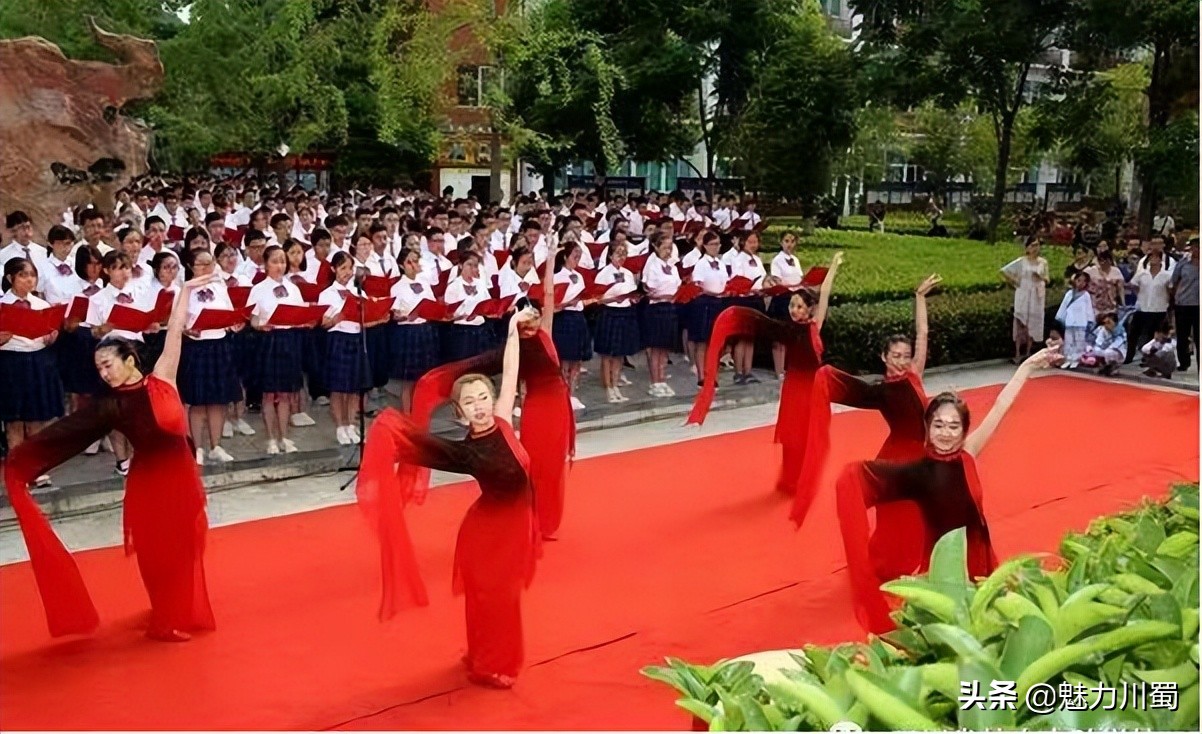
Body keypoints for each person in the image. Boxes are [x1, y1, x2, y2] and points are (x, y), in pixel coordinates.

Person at [3, 273, 219, 641]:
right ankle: (164, 621)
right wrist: (21, 460)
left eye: (108, 364)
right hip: (150, 484)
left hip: (183, 478)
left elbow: (175, 330)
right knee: (156, 555)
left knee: (186, 549)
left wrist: (184, 291)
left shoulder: (163, 378)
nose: (103, 373)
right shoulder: (111, 406)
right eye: (99, 368)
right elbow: (65, 433)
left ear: (130, 359)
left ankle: (177, 609)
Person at [357, 307, 541, 689]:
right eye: (470, 402)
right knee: (494, 600)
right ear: (459, 415)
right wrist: (388, 433)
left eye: (482, 397)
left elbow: (510, 368)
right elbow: (414, 445)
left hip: (515, 525)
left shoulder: (505, 419)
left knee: (502, 600)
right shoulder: (466, 451)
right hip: (487, 536)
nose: (480, 405)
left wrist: (511, 328)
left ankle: (488, 658)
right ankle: (491, 664)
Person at [836, 347, 1059, 634]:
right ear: (926, 428)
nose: (946, 432)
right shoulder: (917, 472)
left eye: (954, 426)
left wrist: (1027, 366)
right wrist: (848, 478)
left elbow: (1001, 405)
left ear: (964, 430)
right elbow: (861, 480)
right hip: (942, 569)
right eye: (938, 424)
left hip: (979, 556)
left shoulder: (969, 453)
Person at [409, 246, 574, 543]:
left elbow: (549, 295)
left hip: (560, 407)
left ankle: (545, 522)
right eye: (527, 315)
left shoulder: (546, 332)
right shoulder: (514, 347)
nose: (534, 318)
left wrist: (550, 259)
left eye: (535, 313)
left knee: (553, 467)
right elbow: (502, 371)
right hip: (538, 409)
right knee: (534, 465)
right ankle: (528, 521)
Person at [790, 275, 941, 530]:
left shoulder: (914, 373)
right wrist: (825, 381)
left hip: (925, 450)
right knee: (895, 510)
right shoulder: (880, 392)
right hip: (897, 456)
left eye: (905, 355)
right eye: (896, 356)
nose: (902, 360)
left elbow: (922, 333)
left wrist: (919, 298)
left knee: (926, 511)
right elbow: (852, 391)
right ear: (884, 357)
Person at [686, 252, 844, 496]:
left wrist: (833, 266)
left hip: (813, 388)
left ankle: (803, 477)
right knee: (792, 436)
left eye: (799, 306)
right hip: (794, 388)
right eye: (792, 305)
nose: (794, 309)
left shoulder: (815, 326)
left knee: (808, 435)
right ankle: (791, 478)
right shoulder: (786, 329)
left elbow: (824, 293)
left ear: (810, 310)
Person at [178, 249, 242, 464]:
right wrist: (187, 329)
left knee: (218, 400)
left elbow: (229, 313)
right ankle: (198, 448)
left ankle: (216, 446)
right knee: (198, 402)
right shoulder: (184, 290)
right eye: (201, 264)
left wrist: (235, 323)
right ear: (190, 267)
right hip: (197, 348)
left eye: (210, 263)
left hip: (219, 345)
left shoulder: (220, 287)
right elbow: (178, 322)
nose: (207, 268)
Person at [0, 258, 65, 464]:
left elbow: (51, 329)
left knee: (37, 418)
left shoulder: (41, 304)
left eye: (32, 275)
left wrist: (52, 336)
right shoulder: (2, 305)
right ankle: (17, 468)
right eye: (23, 275)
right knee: (14, 420)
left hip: (38, 361)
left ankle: (36, 467)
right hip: (10, 362)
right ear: (11, 278)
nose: (29, 280)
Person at [1000, 237, 1049, 364]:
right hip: (1023, 292)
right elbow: (1004, 271)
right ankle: (1017, 353)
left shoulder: (1043, 262)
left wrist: (1041, 277)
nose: (1035, 248)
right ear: (1027, 247)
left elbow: (1047, 279)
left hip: (1036, 293)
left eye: (1037, 245)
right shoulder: (1022, 261)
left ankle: (1028, 353)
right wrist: (1015, 281)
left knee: (1032, 322)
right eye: (1032, 245)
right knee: (1020, 321)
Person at [1168, 238, 1198, 372]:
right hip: (1183, 303)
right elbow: (1173, 281)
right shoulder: (1183, 263)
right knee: (1182, 335)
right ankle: (1183, 361)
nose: (1197, 250)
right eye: (1194, 247)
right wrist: (1173, 298)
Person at [1055, 272, 1095, 369]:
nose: (1081, 283)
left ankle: (1076, 359)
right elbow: (1064, 305)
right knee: (1069, 341)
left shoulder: (1086, 295)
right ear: (1075, 281)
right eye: (1078, 280)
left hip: (1081, 321)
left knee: (1079, 341)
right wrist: (1059, 317)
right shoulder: (1069, 293)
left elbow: (1089, 308)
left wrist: (1090, 320)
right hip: (1070, 320)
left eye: (1083, 281)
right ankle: (1068, 358)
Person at [1079, 312, 1126, 376]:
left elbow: (1118, 343)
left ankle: (1114, 367)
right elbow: (1099, 341)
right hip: (1106, 348)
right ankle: (1104, 366)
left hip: (1119, 351)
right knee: (1096, 350)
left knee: (1108, 352)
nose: (1106, 325)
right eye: (1105, 323)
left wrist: (1108, 346)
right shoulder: (1103, 329)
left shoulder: (1121, 330)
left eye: (1108, 322)